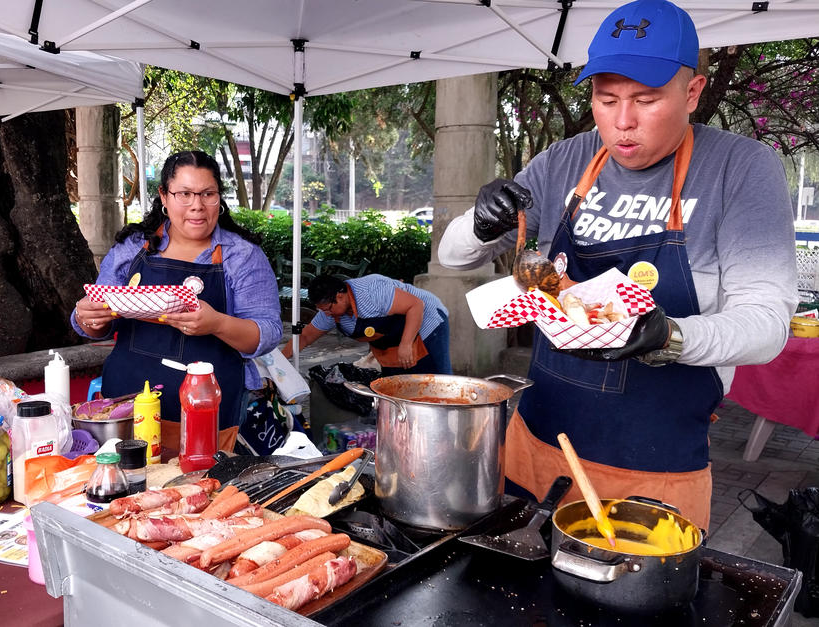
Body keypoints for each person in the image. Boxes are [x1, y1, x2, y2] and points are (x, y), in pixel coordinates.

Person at [438, 0, 797, 529]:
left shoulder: (739, 169)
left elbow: (767, 324)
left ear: (692, 92)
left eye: (645, 100)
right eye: (606, 100)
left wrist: (669, 337)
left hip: (653, 468)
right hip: (536, 443)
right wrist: (480, 221)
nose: (622, 122)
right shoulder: (564, 161)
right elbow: (452, 257)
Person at [72, 150, 282, 430]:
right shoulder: (132, 247)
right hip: (127, 403)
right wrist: (89, 317)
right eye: (184, 194)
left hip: (208, 410)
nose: (197, 206)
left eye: (207, 194)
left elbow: (268, 333)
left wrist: (217, 323)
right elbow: (97, 323)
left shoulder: (241, 255)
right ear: (164, 195)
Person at [281, 274, 452, 376]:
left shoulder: (372, 290)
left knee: (436, 380)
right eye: (322, 310)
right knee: (396, 386)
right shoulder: (330, 312)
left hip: (428, 320)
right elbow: (305, 337)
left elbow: (415, 305)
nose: (326, 314)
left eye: (328, 309)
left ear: (340, 296)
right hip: (393, 338)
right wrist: (278, 362)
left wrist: (406, 344)